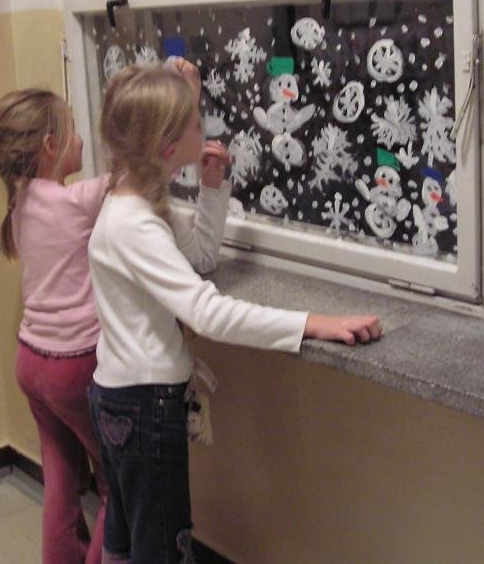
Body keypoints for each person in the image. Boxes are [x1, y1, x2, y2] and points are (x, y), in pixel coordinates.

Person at [87, 61, 382, 563]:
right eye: (194, 121)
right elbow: (207, 312)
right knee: (159, 548)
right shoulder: (135, 224)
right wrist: (311, 323)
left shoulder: (136, 199)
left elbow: (200, 259)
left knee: (126, 538)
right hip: (143, 405)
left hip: (118, 398)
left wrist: (211, 186)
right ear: (167, 147)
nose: (204, 128)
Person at [0, 88, 109, 564]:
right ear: (51, 146)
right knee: (117, 484)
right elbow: (142, 172)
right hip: (74, 366)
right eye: (74, 130)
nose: (82, 140)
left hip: (31, 362)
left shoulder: (20, 203)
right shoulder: (76, 200)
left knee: (60, 482)